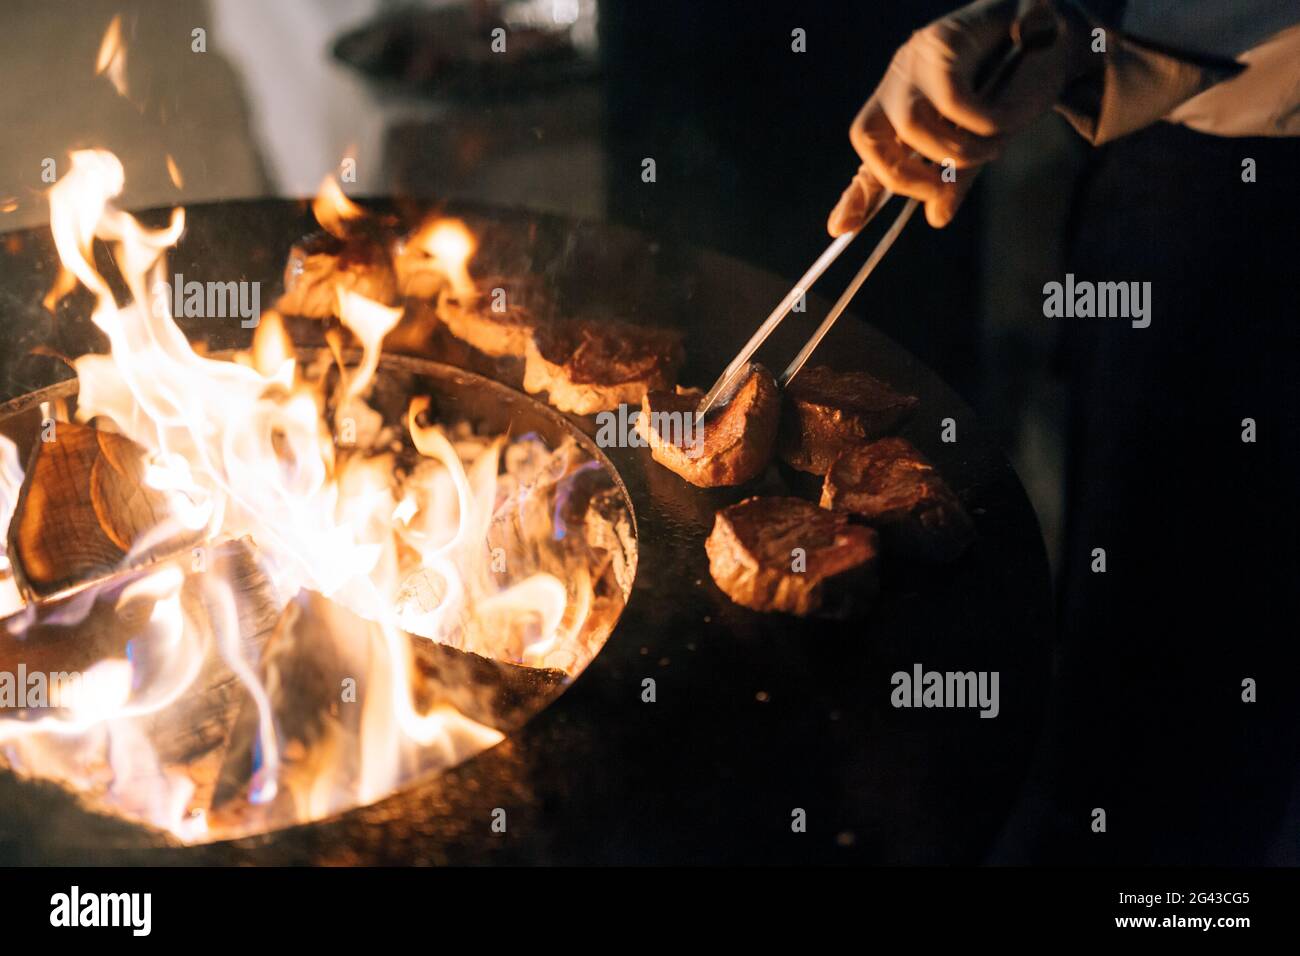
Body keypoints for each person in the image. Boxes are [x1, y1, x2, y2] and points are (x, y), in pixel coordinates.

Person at [828, 0, 1300, 863]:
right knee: (1129, 647)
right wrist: (1053, 28)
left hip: (1255, 196)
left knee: (1192, 706)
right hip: (1188, 144)